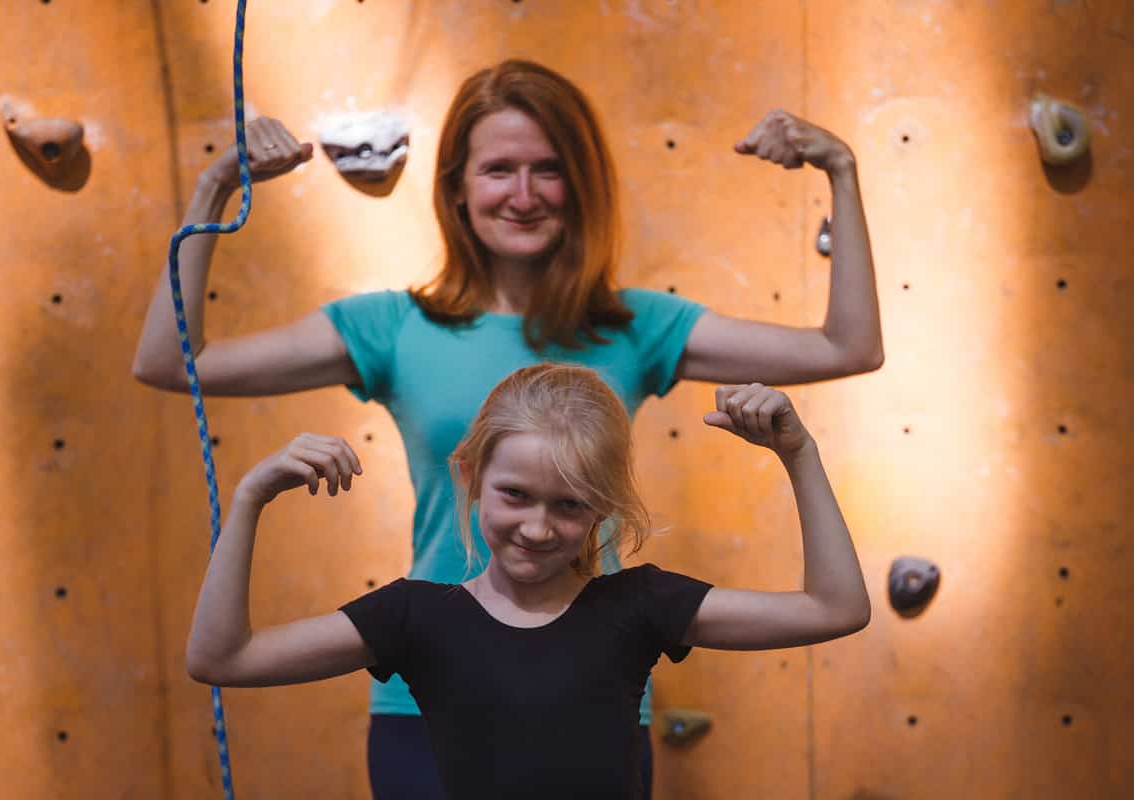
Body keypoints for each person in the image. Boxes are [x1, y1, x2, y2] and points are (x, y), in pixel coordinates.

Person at [133, 59, 883, 798]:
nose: (523, 195)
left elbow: (846, 348)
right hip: (428, 694)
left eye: (548, 169)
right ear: (457, 187)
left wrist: (841, 172)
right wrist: (215, 187)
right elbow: (173, 362)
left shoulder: (635, 328)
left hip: (597, 681)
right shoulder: (394, 328)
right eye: (498, 170)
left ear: (580, 186)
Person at [185, 365, 872, 800]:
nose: (538, 529)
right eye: (515, 495)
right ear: (472, 477)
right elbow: (221, 658)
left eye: (569, 505)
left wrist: (799, 454)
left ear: (602, 510)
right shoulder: (414, 618)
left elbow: (834, 608)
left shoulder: (639, 605)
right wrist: (250, 498)